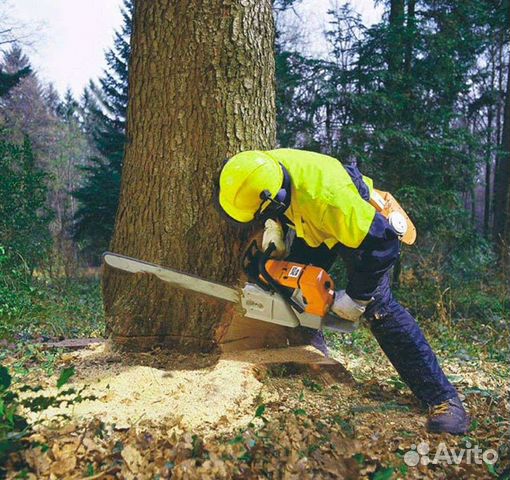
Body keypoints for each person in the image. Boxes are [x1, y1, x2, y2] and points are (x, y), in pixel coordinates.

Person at [217, 148, 469, 435]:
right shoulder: (257, 168)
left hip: (358, 222)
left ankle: (444, 399)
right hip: (310, 219)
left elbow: (384, 246)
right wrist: (273, 225)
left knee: (379, 309)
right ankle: (313, 353)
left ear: (278, 197)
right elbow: (271, 199)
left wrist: (358, 298)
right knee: (295, 284)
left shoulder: (335, 203)